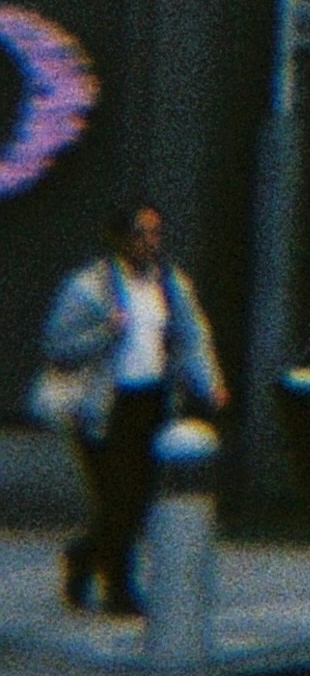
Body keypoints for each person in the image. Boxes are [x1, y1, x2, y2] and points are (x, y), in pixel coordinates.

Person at [36, 201, 221, 618]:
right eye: (141, 233)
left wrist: (209, 382)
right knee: (116, 499)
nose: (150, 242)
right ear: (120, 239)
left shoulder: (170, 284)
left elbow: (193, 335)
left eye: (155, 233)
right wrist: (106, 332)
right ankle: (119, 590)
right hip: (102, 409)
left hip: (151, 402)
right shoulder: (89, 287)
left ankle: (84, 558)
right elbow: (57, 345)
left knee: (135, 499)